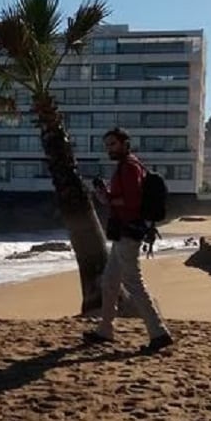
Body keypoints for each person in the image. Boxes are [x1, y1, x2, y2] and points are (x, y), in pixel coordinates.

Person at [85, 128, 173, 353]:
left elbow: (131, 203)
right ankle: (105, 329)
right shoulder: (132, 166)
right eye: (107, 145)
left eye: (113, 144)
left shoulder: (129, 167)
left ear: (125, 144)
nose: (109, 149)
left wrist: (106, 197)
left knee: (133, 282)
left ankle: (159, 332)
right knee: (110, 282)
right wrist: (109, 196)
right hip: (125, 232)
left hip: (128, 232)